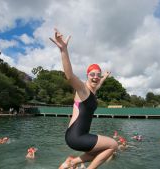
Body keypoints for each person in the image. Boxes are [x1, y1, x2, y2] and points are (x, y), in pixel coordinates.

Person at [50, 29, 118, 169]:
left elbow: (97, 85)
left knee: (101, 151)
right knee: (113, 145)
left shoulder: (92, 91)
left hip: (78, 135)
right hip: (76, 136)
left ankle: (71, 162)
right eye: (92, 74)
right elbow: (69, 76)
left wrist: (104, 77)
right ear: (87, 75)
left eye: (97, 75)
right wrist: (63, 50)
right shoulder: (83, 90)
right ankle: (80, 165)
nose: (95, 77)